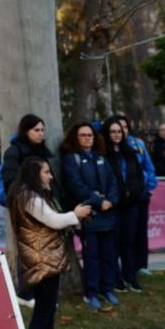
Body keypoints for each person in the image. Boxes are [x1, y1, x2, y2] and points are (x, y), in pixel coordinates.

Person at [7, 157, 93, 329]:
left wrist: (73, 217)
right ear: (34, 174)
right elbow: (54, 220)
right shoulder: (29, 196)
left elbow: (52, 220)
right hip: (40, 259)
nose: (50, 176)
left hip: (45, 257)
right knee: (44, 309)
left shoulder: (32, 195)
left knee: (48, 307)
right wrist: (76, 215)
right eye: (46, 172)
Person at [60, 121, 121, 311]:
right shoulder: (71, 159)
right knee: (92, 256)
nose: (87, 138)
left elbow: (113, 181)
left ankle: (107, 289)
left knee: (109, 255)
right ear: (76, 138)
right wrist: (98, 201)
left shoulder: (100, 157)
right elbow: (76, 185)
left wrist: (110, 200)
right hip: (89, 215)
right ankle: (92, 293)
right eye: (83, 135)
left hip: (107, 214)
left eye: (90, 135)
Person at [104, 114, 158, 280]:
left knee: (136, 234)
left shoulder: (136, 146)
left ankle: (137, 268)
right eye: (114, 130)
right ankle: (117, 275)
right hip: (116, 201)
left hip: (137, 197)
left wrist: (146, 188)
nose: (120, 132)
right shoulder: (106, 150)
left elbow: (146, 169)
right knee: (117, 239)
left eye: (123, 128)